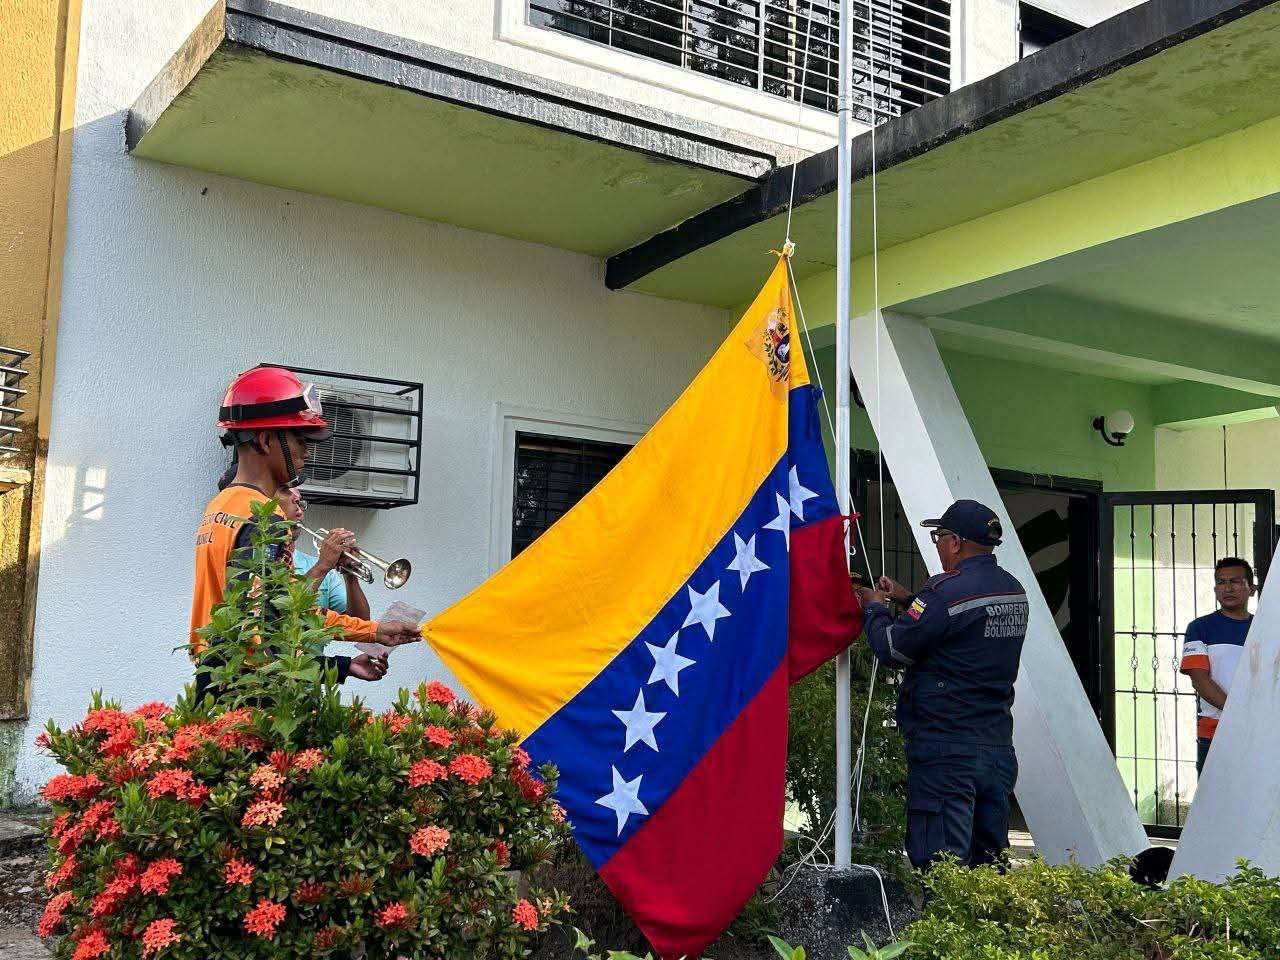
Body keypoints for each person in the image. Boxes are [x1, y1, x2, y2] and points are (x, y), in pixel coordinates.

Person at [191, 366, 419, 698]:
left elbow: (272, 613)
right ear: (266, 440)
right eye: (299, 439)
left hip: (216, 679)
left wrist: (356, 649)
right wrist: (372, 631)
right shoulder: (264, 518)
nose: (307, 451)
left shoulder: (220, 507)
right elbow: (282, 621)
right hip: (251, 694)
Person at [855, 499, 1028, 871]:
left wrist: (875, 608)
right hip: (995, 746)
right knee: (989, 869)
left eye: (938, 537)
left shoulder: (944, 592)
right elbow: (962, 629)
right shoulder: (1013, 589)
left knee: (942, 867)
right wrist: (908, 600)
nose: (936, 544)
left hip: (947, 750)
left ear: (955, 542)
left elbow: (892, 648)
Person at [1179, 557, 1255, 775]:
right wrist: (1238, 713)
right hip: (1214, 734)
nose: (1227, 588)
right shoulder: (1199, 628)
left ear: (1252, 589)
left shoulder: (1264, 630)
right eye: (1221, 582)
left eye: (1236, 581)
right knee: (1214, 806)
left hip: (1260, 733)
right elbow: (1200, 681)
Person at [276, 486, 371, 619]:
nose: (300, 513)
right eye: (292, 503)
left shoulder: (322, 568)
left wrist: (350, 574)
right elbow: (283, 615)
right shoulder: (261, 563)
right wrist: (323, 566)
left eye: (300, 504)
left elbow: (361, 623)